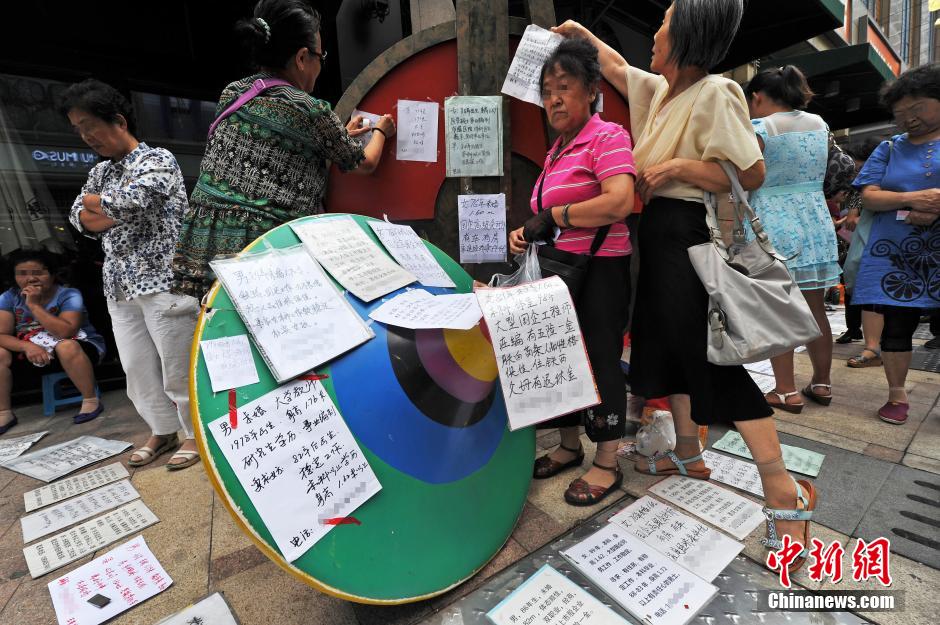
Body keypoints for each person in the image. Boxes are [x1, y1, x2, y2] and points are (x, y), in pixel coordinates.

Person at [554, 0, 819, 573]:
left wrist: (676, 167)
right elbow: (618, 68)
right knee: (663, 350)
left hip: (686, 236)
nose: (655, 32)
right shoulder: (662, 93)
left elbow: (751, 172)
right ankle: (689, 453)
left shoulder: (716, 92)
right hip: (658, 238)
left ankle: (783, 489)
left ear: (687, 36)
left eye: (665, 23)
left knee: (708, 360)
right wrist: (577, 33)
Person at [172, 0, 397, 299]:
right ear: (302, 57)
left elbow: (277, 142)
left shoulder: (233, 92)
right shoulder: (310, 109)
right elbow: (365, 162)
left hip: (208, 240)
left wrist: (338, 135)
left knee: (223, 317)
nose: (321, 64)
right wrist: (381, 130)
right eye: (321, 56)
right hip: (262, 247)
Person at [513, 39, 636, 506]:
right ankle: (568, 445)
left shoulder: (608, 137)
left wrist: (555, 216)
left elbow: (619, 201)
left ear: (592, 90)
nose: (554, 100)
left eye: (564, 87)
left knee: (600, 357)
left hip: (600, 268)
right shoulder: (557, 151)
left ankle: (607, 461)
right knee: (558, 356)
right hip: (560, 268)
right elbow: (550, 214)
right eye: (547, 91)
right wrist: (526, 231)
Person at [61, 79, 201, 470]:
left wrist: (95, 204)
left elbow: (136, 200)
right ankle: (162, 429)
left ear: (119, 121)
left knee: (178, 366)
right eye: (78, 129)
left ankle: (195, 433)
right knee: (136, 367)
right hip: (119, 286)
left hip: (164, 281)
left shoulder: (158, 159)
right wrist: (101, 208)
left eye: (90, 125)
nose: (86, 136)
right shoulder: (100, 172)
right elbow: (78, 219)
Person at [743, 66, 841, 413]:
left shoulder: (760, 128)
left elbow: (747, 177)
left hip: (773, 222)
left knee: (778, 309)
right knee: (816, 309)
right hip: (815, 220)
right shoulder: (820, 124)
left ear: (757, 97)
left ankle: (785, 390)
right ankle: (822, 383)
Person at [851, 64, 940, 425]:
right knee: (897, 324)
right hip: (896, 251)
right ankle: (896, 395)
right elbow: (869, 196)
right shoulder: (889, 148)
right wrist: (913, 199)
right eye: (900, 114)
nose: (909, 119)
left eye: (917, 108)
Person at [0, 250, 106, 433]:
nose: (31, 279)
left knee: (66, 346)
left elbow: (66, 332)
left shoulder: (69, 294)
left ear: (52, 274)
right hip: (33, 353)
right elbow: (2, 334)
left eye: (38, 272)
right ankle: (4, 412)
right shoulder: (8, 297)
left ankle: (90, 400)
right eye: (22, 274)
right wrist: (27, 346)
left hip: (77, 347)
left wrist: (34, 305)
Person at [839, 139, 887, 369]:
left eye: (860, 168)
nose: (858, 173)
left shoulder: (892, 177)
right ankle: (872, 346)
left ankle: (879, 345)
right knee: (864, 280)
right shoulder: (863, 187)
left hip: (888, 236)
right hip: (868, 239)